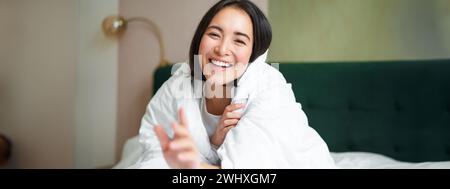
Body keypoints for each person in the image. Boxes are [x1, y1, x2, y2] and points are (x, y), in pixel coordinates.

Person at [131, 0, 335, 169]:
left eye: (239, 41)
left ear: (254, 54)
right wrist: (214, 143)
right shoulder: (178, 85)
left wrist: (193, 165)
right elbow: (155, 150)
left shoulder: (269, 88)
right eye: (214, 34)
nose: (222, 49)